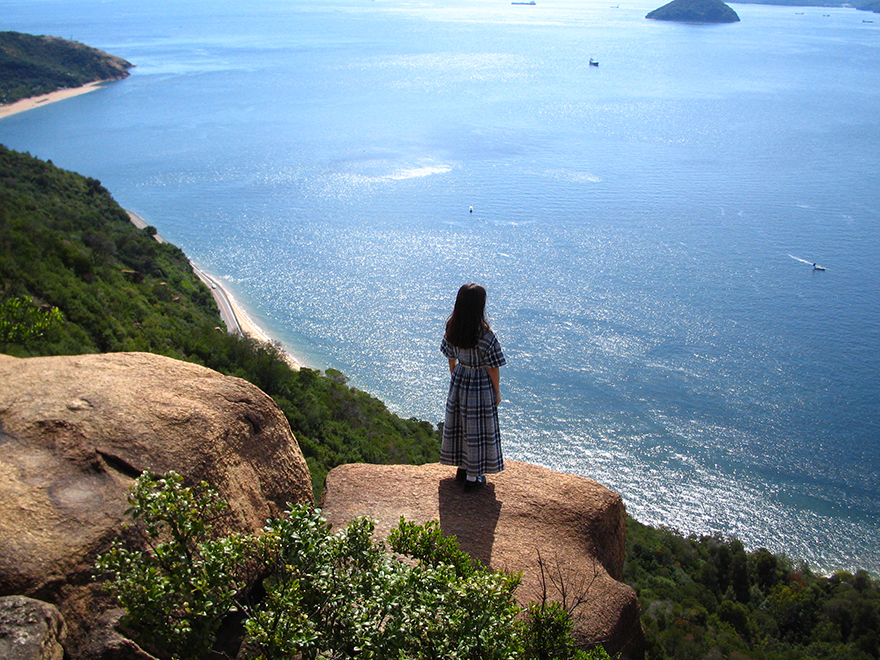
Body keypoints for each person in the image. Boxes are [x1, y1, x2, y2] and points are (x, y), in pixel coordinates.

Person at [440, 283, 506, 491]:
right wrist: (496, 391)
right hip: (479, 382)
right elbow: (493, 366)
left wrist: (455, 375)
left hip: (460, 377)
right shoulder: (485, 334)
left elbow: (450, 356)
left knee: (460, 423)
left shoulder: (452, 327)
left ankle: (462, 468)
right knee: (477, 429)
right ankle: (473, 477)